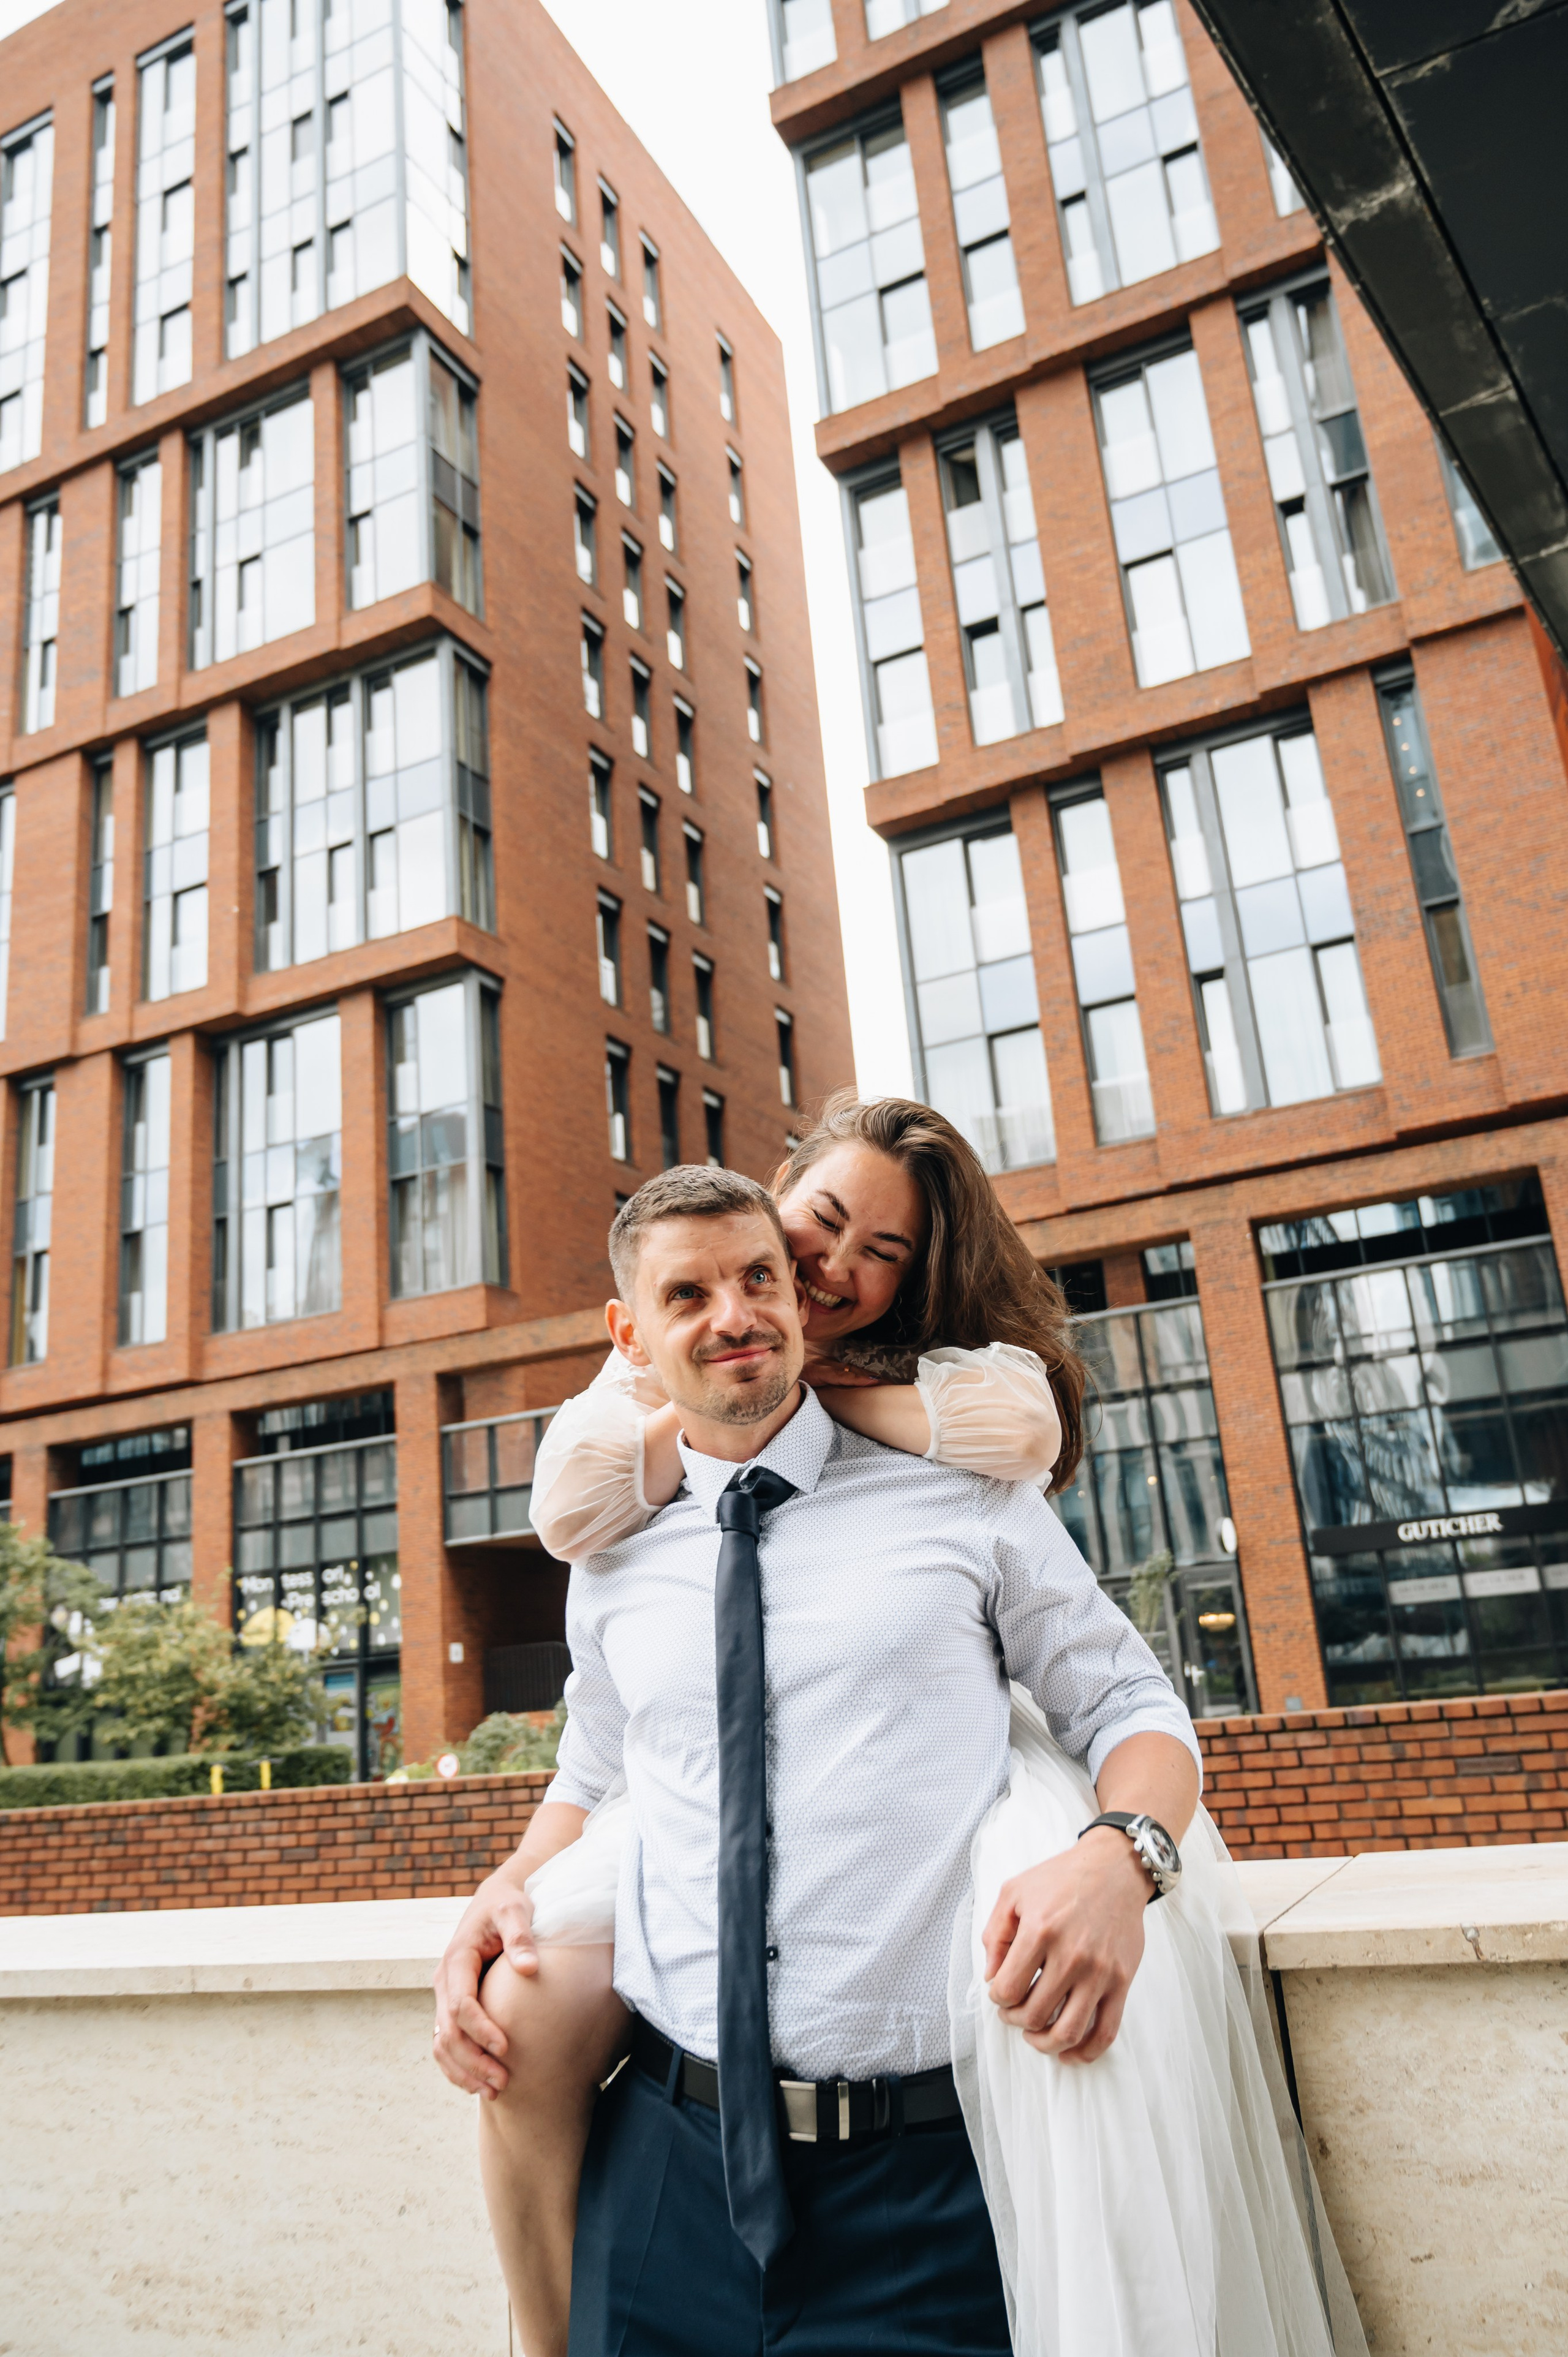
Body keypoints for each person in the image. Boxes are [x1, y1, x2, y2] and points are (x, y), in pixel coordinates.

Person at [434, 1163, 1204, 2354]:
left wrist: (1119, 1860)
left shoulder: (967, 1499)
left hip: (924, 2194)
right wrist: (504, 1887)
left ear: (797, 1296)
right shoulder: (612, 1549)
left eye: (756, 1278)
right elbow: (593, 1769)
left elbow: (1132, 1708)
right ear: (629, 1334)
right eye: (688, 1294)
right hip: (661, 2173)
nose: (733, 1314)